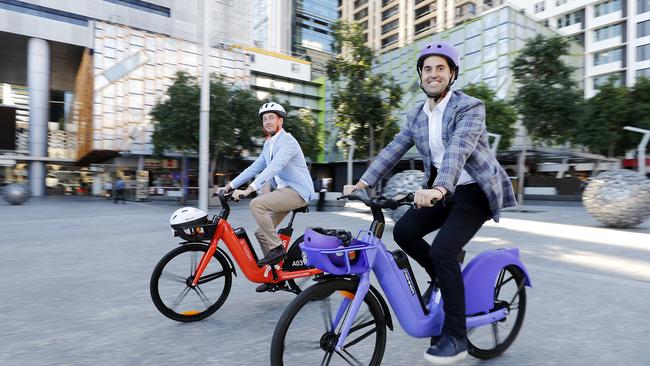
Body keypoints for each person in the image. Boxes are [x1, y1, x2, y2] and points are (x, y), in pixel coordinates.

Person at [343, 41, 516, 364]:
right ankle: (440, 276)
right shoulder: (416, 115)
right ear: (421, 76)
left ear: (452, 74)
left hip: (473, 191)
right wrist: (363, 182)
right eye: (427, 69)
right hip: (441, 191)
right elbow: (393, 149)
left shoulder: (470, 107)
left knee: (443, 251)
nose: (433, 74)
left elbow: (457, 149)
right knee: (404, 231)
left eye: (440, 68)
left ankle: (456, 336)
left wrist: (439, 188)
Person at [221, 102, 316, 291]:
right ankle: (276, 275)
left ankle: (277, 250)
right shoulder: (268, 144)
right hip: (284, 192)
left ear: (280, 120)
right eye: (264, 119)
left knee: (257, 205)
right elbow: (255, 167)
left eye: (271, 117)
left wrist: (250, 189)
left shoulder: (287, 141)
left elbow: (275, 167)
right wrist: (230, 185)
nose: (267, 121)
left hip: (298, 191)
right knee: (260, 232)